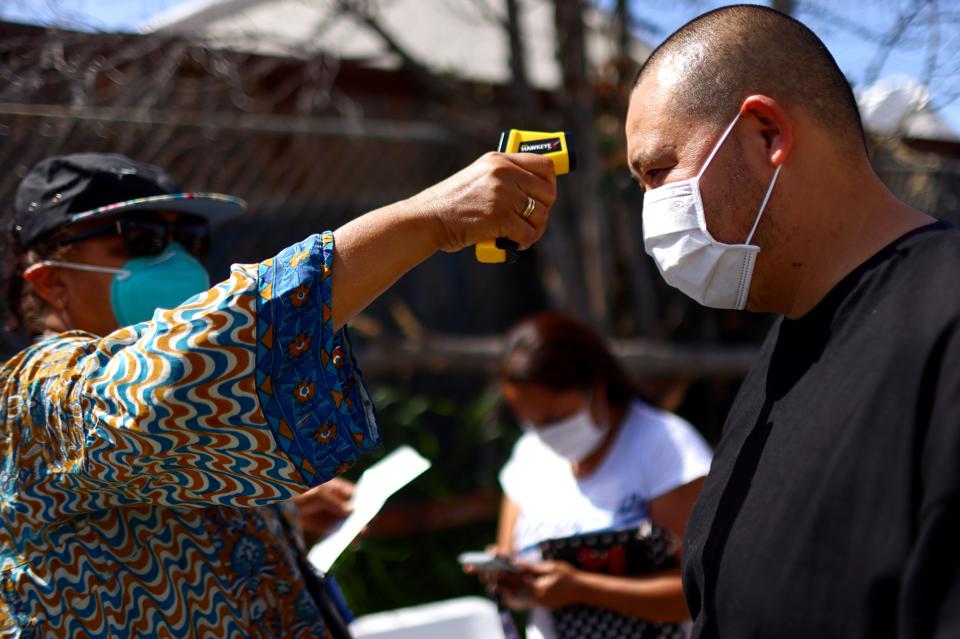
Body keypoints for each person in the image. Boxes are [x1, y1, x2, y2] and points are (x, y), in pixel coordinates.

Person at [0, 150, 556, 637]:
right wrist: (427, 221)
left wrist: (284, 516)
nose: (178, 260)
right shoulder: (35, 392)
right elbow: (165, 390)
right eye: (142, 241)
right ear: (50, 281)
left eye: (186, 239)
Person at [625, 5, 960, 639]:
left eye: (658, 171)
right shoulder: (786, 347)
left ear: (765, 134)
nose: (649, 213)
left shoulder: (945, 328)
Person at [475, 313, 712, 639]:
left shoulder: (667, 451)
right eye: (528, 421)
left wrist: (584, 589)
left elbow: (701, 591)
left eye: (553, 418)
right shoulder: (528, 458)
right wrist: (511, 582)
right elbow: (516, 574)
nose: (543, 434)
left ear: (596, 388)